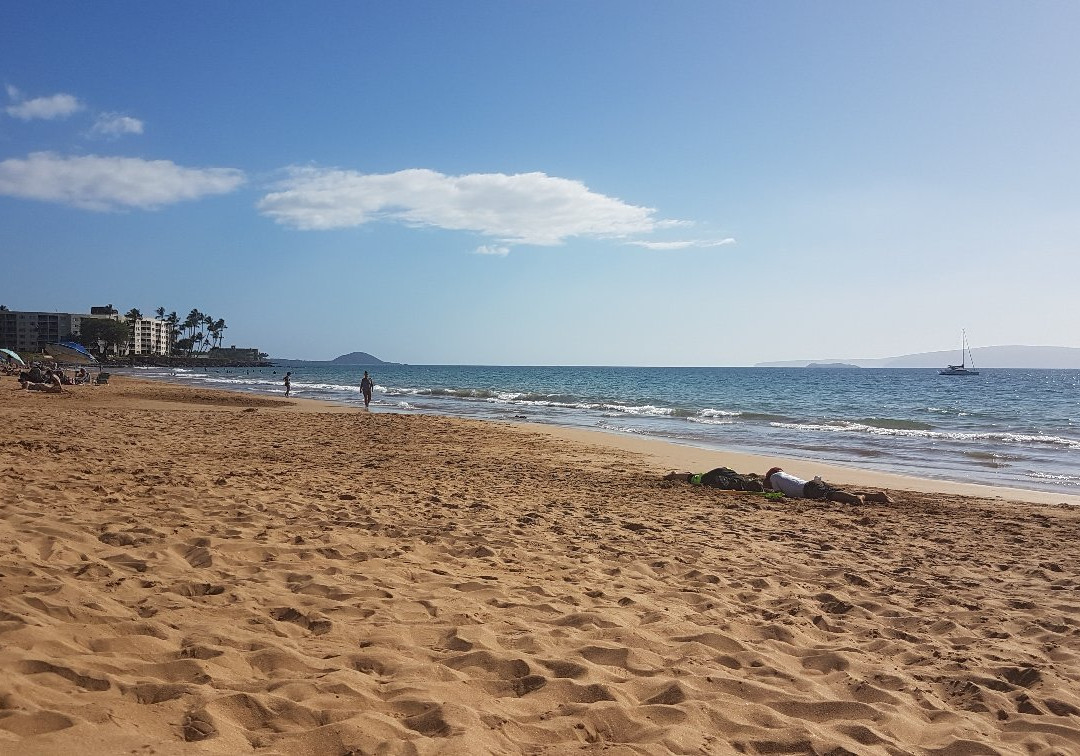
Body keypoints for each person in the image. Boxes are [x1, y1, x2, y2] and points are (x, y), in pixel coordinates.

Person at [763, 467, 892, 504]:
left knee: (831, 495)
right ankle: (877, 496)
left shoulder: (773, 478)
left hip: (807, 490)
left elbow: (778, 494)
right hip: (811, 483)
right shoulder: (784, 475)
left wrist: (767, 494)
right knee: (837, 492)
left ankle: (855, 498)